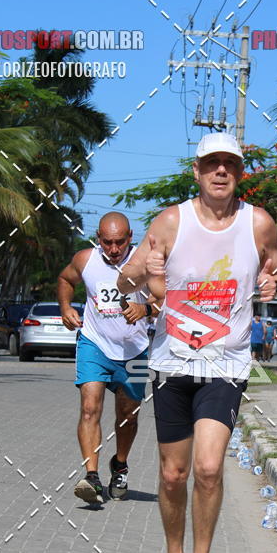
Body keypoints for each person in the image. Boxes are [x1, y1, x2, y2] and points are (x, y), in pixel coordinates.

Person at [117, 132, 277, 553]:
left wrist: (273, 281)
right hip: (172, 362)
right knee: (173, 474)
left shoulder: (258, 223)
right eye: (211, 164)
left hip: (225, 364)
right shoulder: (172, 221)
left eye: (229, 165)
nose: (220, 172)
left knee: (209, 468)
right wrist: (146, 267)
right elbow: (124, 279)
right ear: (196, 171)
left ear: (238, 173)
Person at [57, 212, 156, 506]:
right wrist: (65, 307)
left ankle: (120, 464)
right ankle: (92, 476)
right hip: (94, 343)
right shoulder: (86, 259)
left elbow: (165, 298)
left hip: (135, 349)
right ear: (98, 238)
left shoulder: (145, 263)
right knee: (89, 408)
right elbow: (65, 278)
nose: (113, 249)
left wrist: (146, 309)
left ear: (130, 237)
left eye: (119, 242)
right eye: (107, 242)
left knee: (128, 415)